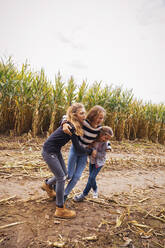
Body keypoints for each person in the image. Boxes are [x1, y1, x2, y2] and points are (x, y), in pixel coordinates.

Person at [41, 103, 96, 219]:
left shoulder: (74, 124)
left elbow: (65, 117)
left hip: (56, 151)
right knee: (61, 177)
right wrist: (90, 152)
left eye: (84, 113)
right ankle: (60, 209)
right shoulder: (71, 126)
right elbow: (78, 148)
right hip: (49, 151)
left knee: (65, 175)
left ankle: (47, 185)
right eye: (81, 113)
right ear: (74, 115)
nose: (84, 115)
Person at [62, 105, 108, 201]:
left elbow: (105, 137)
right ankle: (53, 184)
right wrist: (64, 123)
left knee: (77, 176)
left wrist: (108, 146)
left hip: (85, 153)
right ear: (93, 115)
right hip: (75, 150)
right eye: (99, 117)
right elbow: (67, 117)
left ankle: (64, 194)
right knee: (69, 174)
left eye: (102, 118)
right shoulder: (84, 122)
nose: (101, 120)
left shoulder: (99, 130)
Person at [74, 126, 113, 202]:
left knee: (91, 178)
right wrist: (90, 153)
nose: (106, 140)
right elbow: (88, 147)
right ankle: (95, 189)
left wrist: (95, 153)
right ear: (101, 134)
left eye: (108, 139)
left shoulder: (105, 143)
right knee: (92, 178)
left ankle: (83, 195)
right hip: (92, 161)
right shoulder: (93, 139)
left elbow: (103, 155)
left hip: (99, 163)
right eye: (105, 138)